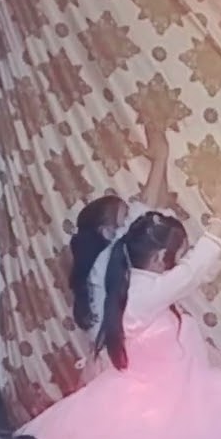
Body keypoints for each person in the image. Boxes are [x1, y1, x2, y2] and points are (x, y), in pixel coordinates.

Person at [19, 186, 221, 439]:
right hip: (154, 397)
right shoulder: (145, 292)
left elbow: (195, 273)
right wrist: (219, 219)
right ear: (160, 257)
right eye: (179, 254)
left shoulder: (139, 283)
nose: (181, 260)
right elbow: (191, 271)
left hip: (172, 388)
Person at [69, 122, 170, 380]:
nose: (130, 225)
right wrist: (160, 157)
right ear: (106, 231)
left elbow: (156, 206)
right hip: (116, 366)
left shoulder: (106, 262)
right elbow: (145, 209)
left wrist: (162, 161)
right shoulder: (105, 261)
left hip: (115, 360)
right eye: (124, 220)